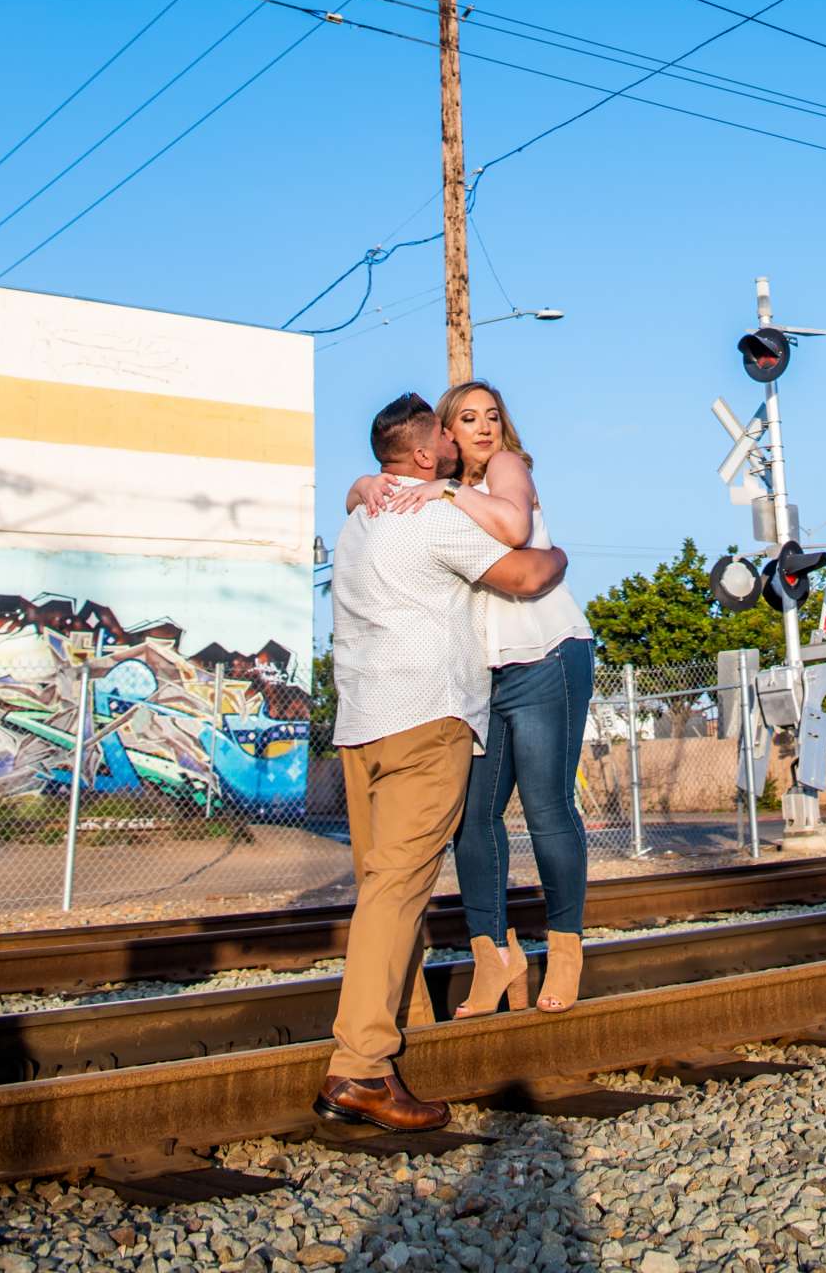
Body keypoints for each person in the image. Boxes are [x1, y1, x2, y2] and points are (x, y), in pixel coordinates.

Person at [314, 390, 568, 1136]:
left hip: (361, 725)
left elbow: (369, 491)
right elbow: (523, 575)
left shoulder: (359, 521)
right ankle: (358, 1068)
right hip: (426, 720)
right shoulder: (432, 516)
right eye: (445, 439)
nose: (458, 446)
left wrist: (365, 482)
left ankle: (378, 1053)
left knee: (379, 891)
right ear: (424, 454)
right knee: (398, 892)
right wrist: (558, 554)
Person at [347, 379, 594, 1016]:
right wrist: (367, 485)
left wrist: (448, 489)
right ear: (443, 437)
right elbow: (373, 487)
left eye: (492, 416)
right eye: (465, 418)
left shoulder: (504, 468)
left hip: (544, 653)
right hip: (483, 676)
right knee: (471, 822)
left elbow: (515, 530)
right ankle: (495, 957)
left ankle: (565, 950)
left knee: (545, 809)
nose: (483, 428)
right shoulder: (427, 493)